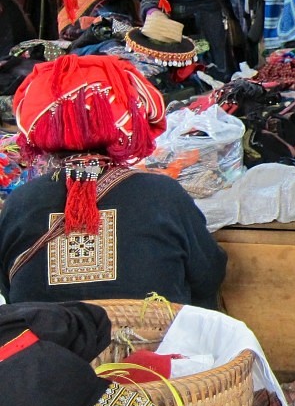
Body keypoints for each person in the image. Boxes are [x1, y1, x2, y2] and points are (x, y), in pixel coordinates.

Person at [0, 54, 227, 308]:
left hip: (49, 344)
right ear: (128, 123)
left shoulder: (19, 203)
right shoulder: (163, 194)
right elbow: (208, 275)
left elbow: (9, 289)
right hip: (158, 343)